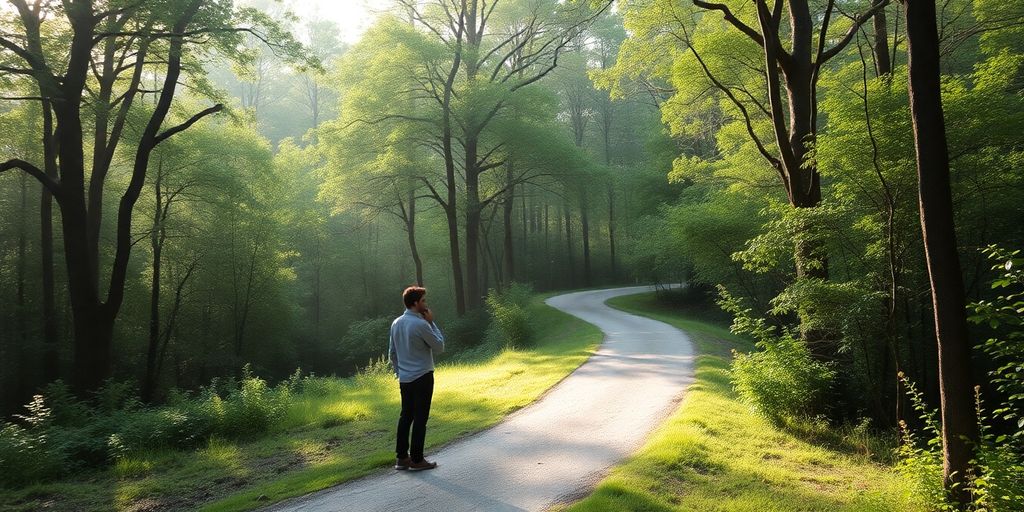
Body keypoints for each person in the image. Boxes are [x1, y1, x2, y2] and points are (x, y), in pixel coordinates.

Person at [389, 286, 445, 471]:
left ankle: (402, 458)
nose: (426, 304)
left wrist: (400, 373)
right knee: (420, 418)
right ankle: (417, 459)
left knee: (406, 416)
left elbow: (393, 354)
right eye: (423, 301)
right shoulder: (421, 324)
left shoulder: (396, 323)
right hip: (422, 376)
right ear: (415, 303)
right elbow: (439, 347)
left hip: (405, 379)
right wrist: (431, 323)